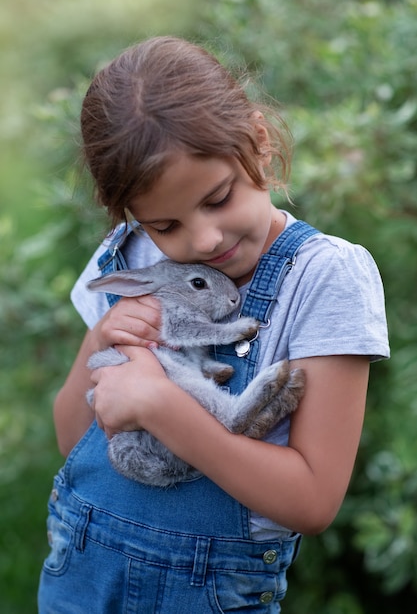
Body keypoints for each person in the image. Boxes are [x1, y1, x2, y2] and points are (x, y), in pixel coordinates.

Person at [38, 36, 389, 613]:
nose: (202, 240)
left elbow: (312, 499)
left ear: (260, 143)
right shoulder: (133, 257)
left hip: (206, 593)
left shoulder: (326, 277)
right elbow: (71, 435)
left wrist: (161, 407)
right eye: (165, 224)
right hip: (77, 579)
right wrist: (104, 337)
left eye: (219, 198)